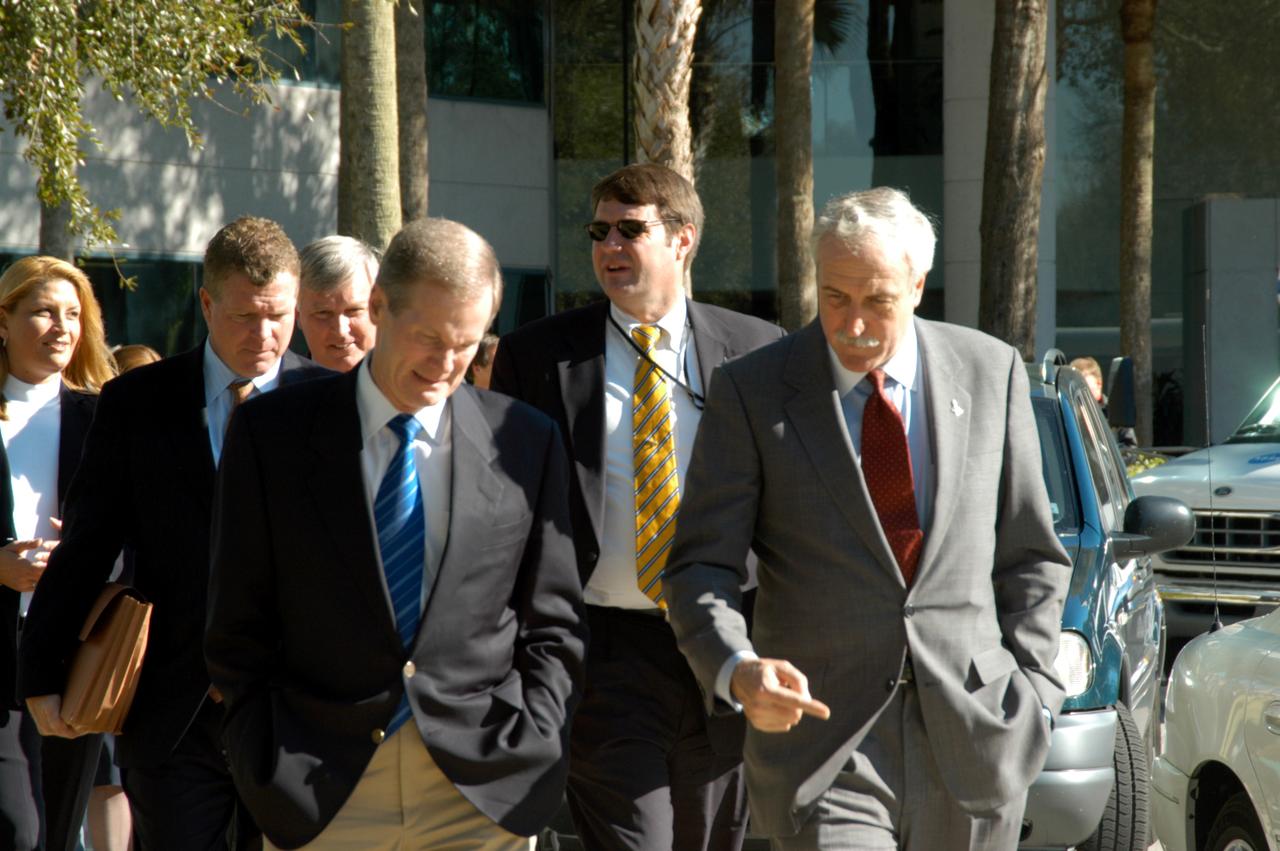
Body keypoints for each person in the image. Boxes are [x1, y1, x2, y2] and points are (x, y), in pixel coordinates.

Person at [663, 187, 1073, 850]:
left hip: (975, 735)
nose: (852, 325)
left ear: (917, 284)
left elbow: (1031, 555)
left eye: (877, 300)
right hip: (825, 742)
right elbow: (699, 566)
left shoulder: (989, 370)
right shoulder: (753, 390)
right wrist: (738, 667)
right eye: (835, 297)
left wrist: (1036, 694)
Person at [205, 217, 587, 849]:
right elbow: (236, 622)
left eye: (466, 344)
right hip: (320, 790)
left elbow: (553, 621)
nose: (444, 364)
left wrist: (538, 737)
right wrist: (262, 758)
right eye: (428, 337)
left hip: (485, 788)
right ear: (379, 306)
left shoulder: (526, 440)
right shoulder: (271, 435)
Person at [491, 163, 782, 851]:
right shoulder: (539, 356)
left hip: (726, 641)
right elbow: (504, 509)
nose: (609, 246)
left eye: (630, 229)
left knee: (712, 838)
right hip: (604, 650)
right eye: (598, 231)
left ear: (683, 238)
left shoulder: (759, 352)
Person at [17, 216, 328, 850]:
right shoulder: (138, 402)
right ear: (207, 303)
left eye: (280, 316)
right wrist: (42, 671)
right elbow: (89, 543)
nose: (265, 336)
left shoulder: (335, 405)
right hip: (171, 707)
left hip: (296, 713)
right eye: (245, 316)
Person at [0, 257, 115, 851]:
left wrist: (92, 546)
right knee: (20, 828)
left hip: (76, 647)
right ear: (4, 320)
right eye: (43, 311)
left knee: (59, 828)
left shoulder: (105, 417)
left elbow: (143, 534)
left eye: (74, 314)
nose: (61, 327)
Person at [296, 235, 380, 372]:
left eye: (354, 310)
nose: (341, 330)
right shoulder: (276, 390)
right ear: (297, 314)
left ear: (378, 308)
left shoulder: (414, 389)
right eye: (323, 313)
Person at [1069, 355, 1137, 447]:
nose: (1078, 391)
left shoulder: (1116, 412)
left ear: (1099, 384)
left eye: (1083, 385)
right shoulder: (1068, 412)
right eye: (1074, 386)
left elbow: (1129, 450)